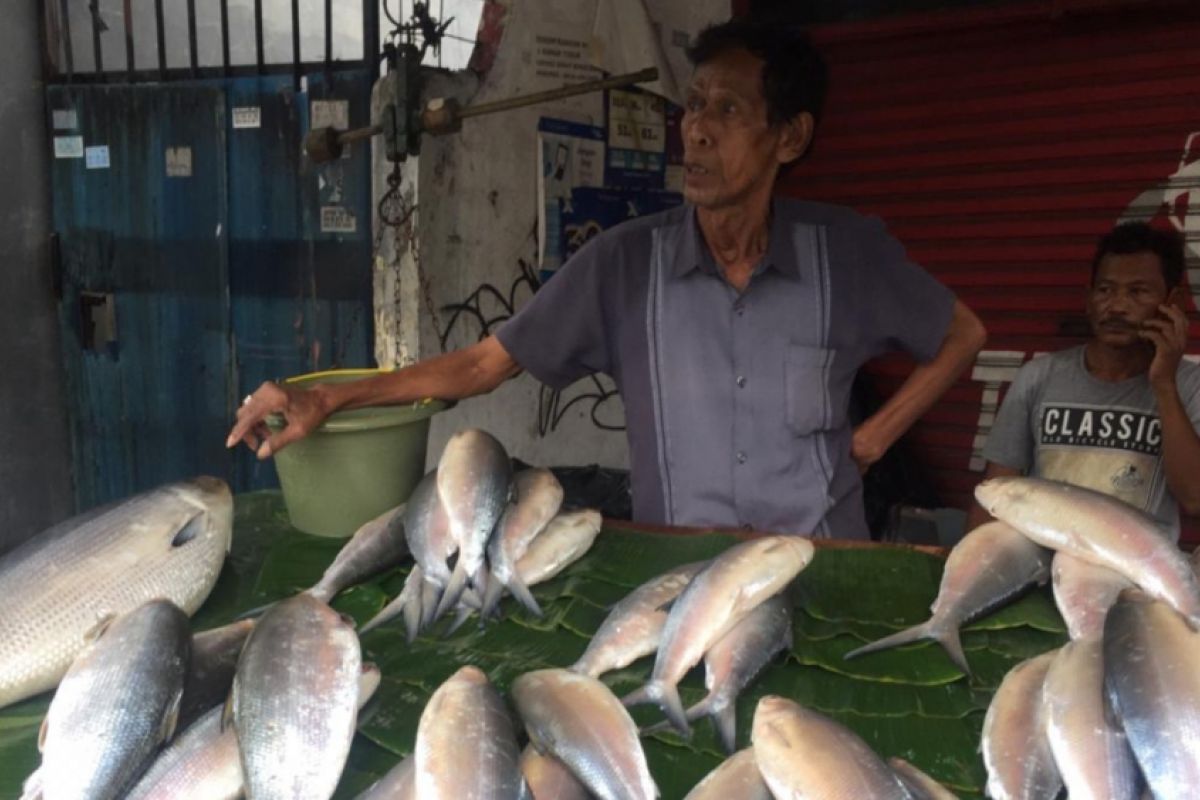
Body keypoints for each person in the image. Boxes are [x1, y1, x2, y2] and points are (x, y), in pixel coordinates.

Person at [228, 19, 986, 539]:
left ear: (791, 136)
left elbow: (962, 333)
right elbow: (479, 365)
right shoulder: (625, 265)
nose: (697, 128)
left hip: (825, 565)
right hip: (678, 575)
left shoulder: (846, 254)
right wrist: (329, 396)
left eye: (728, 109)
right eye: (694, 106)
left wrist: (877, 436)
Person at [967, 222, 1200, 540]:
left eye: (1138, 292)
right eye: (1105, 290)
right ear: (1088, 298)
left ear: (1172, 301)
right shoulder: (1040, 377)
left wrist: (1163, 384)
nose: (1117, 306)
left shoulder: (1189, 385)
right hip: (1043, 566)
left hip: (1134, 571)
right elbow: (994, 495)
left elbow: (1194, 498)